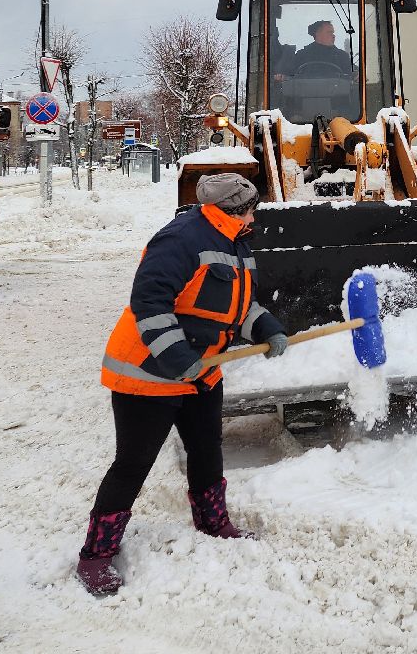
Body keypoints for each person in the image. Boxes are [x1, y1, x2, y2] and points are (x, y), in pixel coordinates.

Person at [76, 173, 289, 597]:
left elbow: (233, 305)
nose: (254, 217)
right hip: (149, 374)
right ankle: (96, 554)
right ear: (231, 211)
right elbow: (149, 301)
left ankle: (213, 522)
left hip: (202, 371)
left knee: (207, 447)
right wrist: (177, 359)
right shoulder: (180, 239)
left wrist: (264, 326)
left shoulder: (233, 242)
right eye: (249, 210)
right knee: (133, 463)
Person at [277, 20, 353, 79]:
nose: (333, 36)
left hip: (337, 98)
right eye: (329, 32)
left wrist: (357, 75)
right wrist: (281, 76)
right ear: (317, 34)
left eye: (333, 33)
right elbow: (288, 74)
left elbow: (352, 73)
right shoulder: (302, 55)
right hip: (305, 97)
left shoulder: (342, 56)